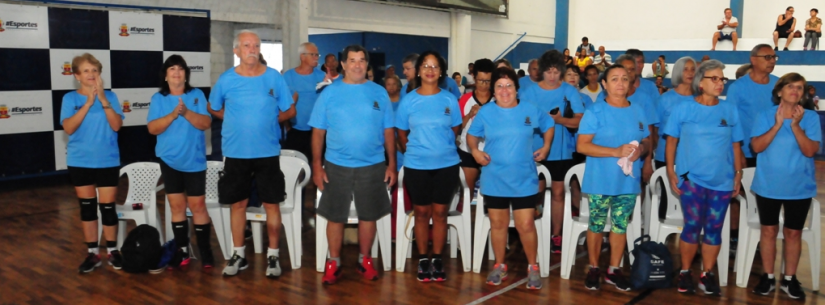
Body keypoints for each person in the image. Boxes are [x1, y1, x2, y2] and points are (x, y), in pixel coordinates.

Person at [210, 30, 296, 277]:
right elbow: (213, 107)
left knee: (271, 204)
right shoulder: (226, 79)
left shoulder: (273, 78)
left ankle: (273, 256)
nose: (252, 49)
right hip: (236, 153)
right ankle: (238, 254)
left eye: (256, 45)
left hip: (267, 152)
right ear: (236, 51)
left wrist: (270, 120)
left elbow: (289, 110)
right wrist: (233, 120)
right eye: (246, 45)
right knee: (238, 204)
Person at [310, 44, 397, 285]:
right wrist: (317, 167)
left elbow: (389, 131)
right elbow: (318, 133)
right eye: (352, 60)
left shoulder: (379, 93)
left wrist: (391, 165)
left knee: (369, 215)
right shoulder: (329, 93)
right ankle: (333, 262)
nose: (357, 64)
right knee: (334, 216)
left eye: (361, 60)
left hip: (374, 165)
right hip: (336, 165)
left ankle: (365, 260)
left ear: (366, 65)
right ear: (344, 65)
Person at [467, 67, 554, 290]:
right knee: (498, 224)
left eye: (509, 85)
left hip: (524, 178)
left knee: (526, 225)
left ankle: (533, 267)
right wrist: (475, 152)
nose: (504, 90)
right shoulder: (486, 112)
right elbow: (471, 135)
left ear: (516, 89)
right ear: (493, 90)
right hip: (494, 177)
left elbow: (549, 124)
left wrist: (546, 147)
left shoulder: (529, 110)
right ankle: (499, 265)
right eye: (499, 86)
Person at [665, 60, 742, 296]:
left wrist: (737, 174)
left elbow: (736, 145)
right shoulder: (683, 108)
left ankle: (706, 274)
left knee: (714, 229)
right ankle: (686, 272)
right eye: (715, 79)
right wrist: (670, 171)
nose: (720, 83)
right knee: (691, 226)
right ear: (701, 82)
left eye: (723, 79)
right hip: (692, 179)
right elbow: (671, 142)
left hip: (721, 181)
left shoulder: (729, 110)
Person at [577, 64, 650, 291]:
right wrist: (614, 152)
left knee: (620, 225)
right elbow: (582, 145)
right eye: (615, 79)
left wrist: (642, 150)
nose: (621, 83)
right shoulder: (595, 111)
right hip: (600, 180)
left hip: (627, 181)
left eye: (625, 79)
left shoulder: (638, 110)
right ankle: (594, 267)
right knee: (597, 224)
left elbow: (647, 140)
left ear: (630, 84)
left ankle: (614, 269)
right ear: (605, 85)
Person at [749, 73, 821, 300]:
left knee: (793, 233)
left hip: (799, 186)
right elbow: (757, 147)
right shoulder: (764, 115)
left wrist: (796, 126)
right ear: (779, 91)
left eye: (800, 88)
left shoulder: (810, 118)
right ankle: (768, 276)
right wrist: (778, 125)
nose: (795, 91)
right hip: (768, 185)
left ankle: (789, 279)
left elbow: (810, 151)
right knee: (768, 231)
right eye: (791, 86)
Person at [395, 51, 462, 282]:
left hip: (447, 165)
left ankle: (437, 258)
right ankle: (423, 258)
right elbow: (401, 133)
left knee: (441, 212)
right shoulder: (409, 99)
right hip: (416, 166)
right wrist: (415, 151)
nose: (430, 70)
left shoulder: (449, 99)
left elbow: (455, 130)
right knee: (422, 213)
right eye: (425, 65)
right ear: (419, 70)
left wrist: (439, 147)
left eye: (434, 66)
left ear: (441, 72)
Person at [147, 54, 214, 269]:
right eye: (172, 69)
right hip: (169, 160)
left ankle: (206, 252)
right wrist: (172, 115)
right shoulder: (158, 99)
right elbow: (152, 128)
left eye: (180, 69)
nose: (176, 73)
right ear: (165, 76)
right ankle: (182, 250)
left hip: (194, 160)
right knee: (177, 207)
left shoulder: (197, 95)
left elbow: (205, 123)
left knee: (198, 206)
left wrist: (185, 112)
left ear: (186, 74)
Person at [61, 53, 125, 273]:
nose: (91, 74)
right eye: (86, 71)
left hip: (107, 159)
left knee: (108, 209)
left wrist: (103, 100)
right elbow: (69, 128)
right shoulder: (70, 99)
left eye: (94, 70)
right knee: (87, 209)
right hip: (80, 161)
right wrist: (88, 103)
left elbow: (117, 126)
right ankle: (92, 254)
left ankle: (113, 250)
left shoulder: (111, 97)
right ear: (77, 75)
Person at [519, 50, 584, 254]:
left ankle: (556, 235)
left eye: (557, 72)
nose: (553, 76)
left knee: (558, 193)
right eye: (549, 72)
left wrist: (559, 120)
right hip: (534, 150)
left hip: (561, 151)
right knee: (534, 192)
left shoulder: (569, 91)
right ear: (542, 72)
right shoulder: (528, 92)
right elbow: (521, 119)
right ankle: (531, 232)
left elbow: (581, 120)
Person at [596, 55, 660, 185]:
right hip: (606, 161)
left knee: (634, 194)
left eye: (632, 69)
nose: (628, 73)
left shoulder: (643, 100)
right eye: (625, 69)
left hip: (636, 160)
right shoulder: (600, 101)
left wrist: (648, 161)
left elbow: (649, 133)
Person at [283, 42, 329, 210]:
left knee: (321, 172)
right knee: (295, 173)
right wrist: (288, 126)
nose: (317, 58)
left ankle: (322, 210)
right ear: (303, 56)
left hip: (319, 132)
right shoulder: (288, 77)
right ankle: (296, 211)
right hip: (296, 132)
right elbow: (284, 104)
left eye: (318, 55)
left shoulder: (322, 76)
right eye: (314, 55)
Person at [653, 56, 696, 220]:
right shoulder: (665, 99)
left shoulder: (699, 99)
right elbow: (656, 129)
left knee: (691, 202)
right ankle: (662, 242)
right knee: (667, 199)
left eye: (693, 69)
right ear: (678, 72)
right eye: (686, 69)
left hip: (692, 158)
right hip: (666, 156)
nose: (690, 73)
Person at [727, 44, 779, 168]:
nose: (772, 61)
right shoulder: (737, 87)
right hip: (747, 153)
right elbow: (730, 122)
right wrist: (738, 153)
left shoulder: (780, 84)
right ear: (753, 60)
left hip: (775, 152)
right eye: (767, 57)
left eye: (774, 57)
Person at [457, 58, 494, 205]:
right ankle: (465, 222)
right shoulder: (465, 99)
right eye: (480, 80)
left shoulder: (498, 100)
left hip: (491, 151)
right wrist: (470, 114)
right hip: (468, 151)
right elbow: (457, 126)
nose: (484, 85)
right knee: (467, 192)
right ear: (474, 78)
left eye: (488, 81)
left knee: (493, 193)